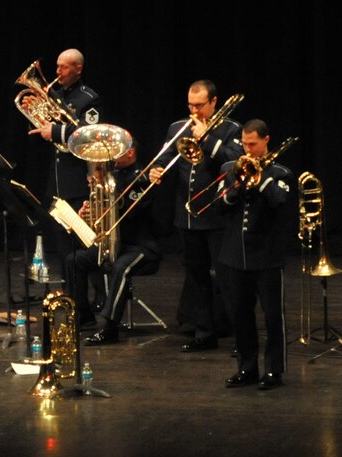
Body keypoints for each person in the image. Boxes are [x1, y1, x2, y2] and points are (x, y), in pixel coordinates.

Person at [148, 80, 243, 352]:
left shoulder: (230, 129)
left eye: (200, 105)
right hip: (186, 216)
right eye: (191, 105)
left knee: (226, 278)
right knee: (196, 277)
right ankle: (204, 333)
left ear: (214, 103)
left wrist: (207, 138)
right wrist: (157, 171)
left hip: (216, 216)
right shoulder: (178, 128)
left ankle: (241, 337)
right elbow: (164, 158)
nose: (195, 110)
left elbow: (233, 163)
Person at [216, 120, 292, 390]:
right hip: (235, 255)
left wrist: (259, 179)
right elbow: (222, 205)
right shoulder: (230, 169)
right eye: (244, 144)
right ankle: (247, 368)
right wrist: (238, 185)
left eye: (253, 145)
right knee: (240, 315)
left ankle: (274, 371)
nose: (247, 150)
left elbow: (279, 200)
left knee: (273, 316)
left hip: (267, 256)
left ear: (266, 140)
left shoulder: (280, 173)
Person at [62, 143, 161, 344]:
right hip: (116, 244)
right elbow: (104, 212)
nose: (113, 156)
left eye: (119, 151)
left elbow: (129, 212)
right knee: (74, 260)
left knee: (120, 267)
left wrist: (105, 204)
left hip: (141, 246)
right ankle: (83, 316)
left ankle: (110, 328)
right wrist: (89, 212)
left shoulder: (142, 177)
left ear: (131, 152)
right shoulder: (111, 177)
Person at [27, 48, 102, 276]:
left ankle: (99, 295)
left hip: (78, 181)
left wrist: (56, 131)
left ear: (78, 69)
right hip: (57, 182)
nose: (58, 72)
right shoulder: (55, 95)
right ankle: (72, 294)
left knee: (86, 245)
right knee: (62, 248)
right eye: (57, 66)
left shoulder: (89, 98)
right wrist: (33, 114)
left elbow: (89, 133)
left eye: (64, 67)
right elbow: (43, 133)